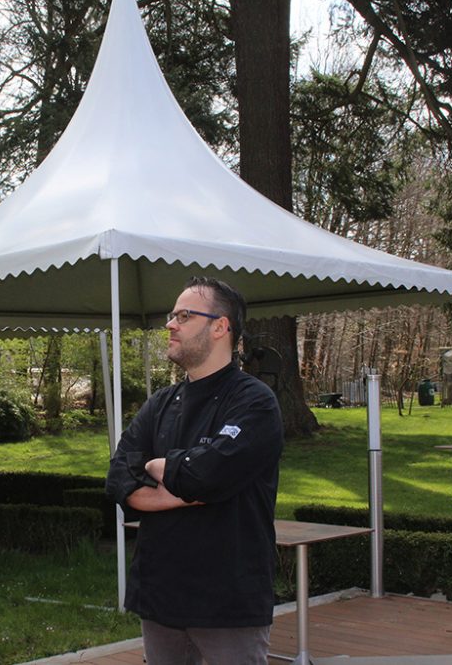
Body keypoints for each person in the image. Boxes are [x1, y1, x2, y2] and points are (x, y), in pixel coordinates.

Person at [106, 276, 284, 665]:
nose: (170, 324)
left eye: (184, 316)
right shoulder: (160, 404)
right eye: (172, 315)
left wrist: (157, 466)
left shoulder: (255, 402)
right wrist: (187, 484)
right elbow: (119, 478)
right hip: (160, 597)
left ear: (220, 327)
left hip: (227, 604)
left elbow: (205, 476)